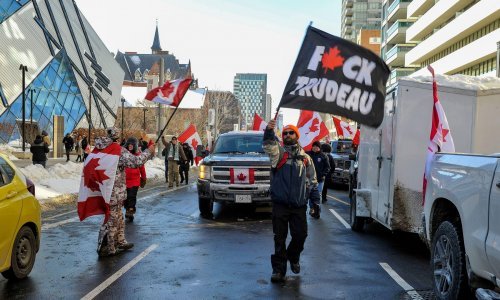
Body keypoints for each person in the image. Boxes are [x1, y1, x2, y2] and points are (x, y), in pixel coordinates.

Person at [263, 119, 319, 283]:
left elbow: (313, 181)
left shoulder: (306, 158)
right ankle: (279, 270)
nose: (287, 135)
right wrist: (268, 131)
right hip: (280, 205)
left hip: (299, 206)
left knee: (300, 236)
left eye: (291, 132)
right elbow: (268, 145)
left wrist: (315, 203)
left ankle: (293, 257)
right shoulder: (278, 154)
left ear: (297, 135)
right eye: (285, 133)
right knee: (279, 238)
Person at [97, 127, 155, 257]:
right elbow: (137, 161)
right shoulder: (116, 150)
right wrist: (149, 151)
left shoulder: (100, 148)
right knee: (112, 220)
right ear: (117, 137)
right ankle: (110, 248)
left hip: (109, 190)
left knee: (118, 217)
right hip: (114, 191)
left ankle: (120, 241)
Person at [124, 137, 147, 222]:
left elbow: (142, 168)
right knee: (125, 198)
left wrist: (143, 178)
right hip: (124, 181)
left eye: (132, 145)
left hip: (135, 181)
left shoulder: (138, 156)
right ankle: (127, 209)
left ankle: (131, 210)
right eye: (129, 145)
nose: (130, 146)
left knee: (132, 196)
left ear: (135, 146)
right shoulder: (124, 156)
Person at [306, 141, 330, 218]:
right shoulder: (307, 154)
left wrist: (323, 175)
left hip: (319, 180)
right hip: (309, 180)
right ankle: (312, 208)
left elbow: (327, 167)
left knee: (318, 195)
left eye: (317, 146)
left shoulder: (323, 156)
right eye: (314, 146)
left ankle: (317, 210)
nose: (315, 148)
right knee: (310, 195)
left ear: (319, 148)